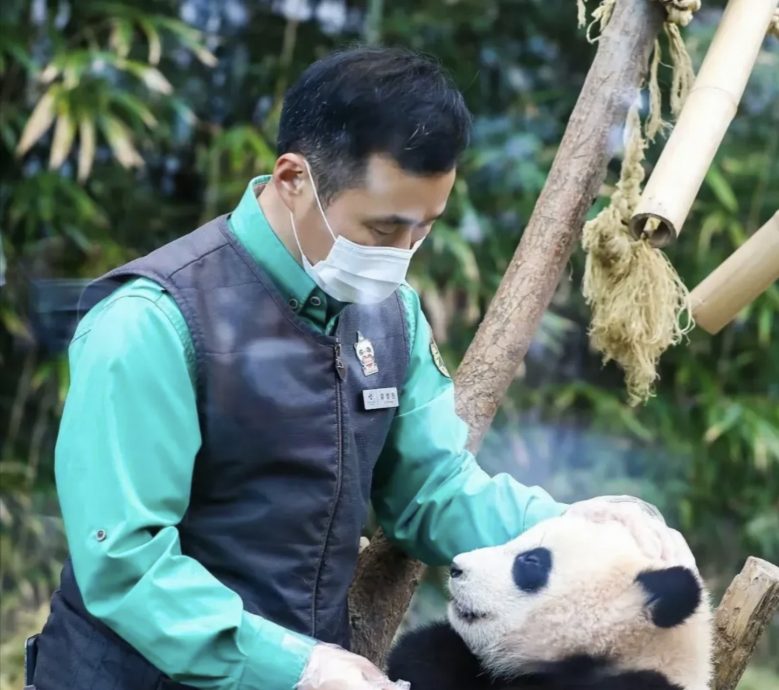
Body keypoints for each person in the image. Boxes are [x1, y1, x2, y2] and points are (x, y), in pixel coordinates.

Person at [29, 47, 694, 690]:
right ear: (293, 181)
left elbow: (431, 488)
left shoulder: (388, 313)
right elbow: (124, 562)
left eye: (425, 227)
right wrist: (298, 668)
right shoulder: (150, 323)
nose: (403, 254)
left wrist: (578, 532)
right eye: (384, 229)